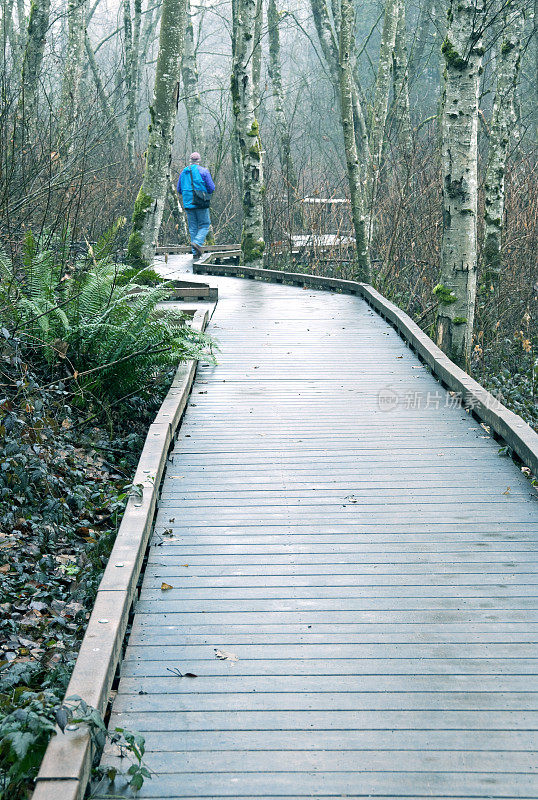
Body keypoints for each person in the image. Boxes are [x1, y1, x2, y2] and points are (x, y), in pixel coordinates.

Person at [177, 152, 215, 259]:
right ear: (199, 160)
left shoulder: (183, 172)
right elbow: (211, 188)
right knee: (205, 225)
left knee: (193, 228)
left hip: (188, 204)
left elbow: (179, 189)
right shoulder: (203, 171)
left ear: (190, 160)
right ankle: (197, 243)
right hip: (200, 202)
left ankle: (195, 253)